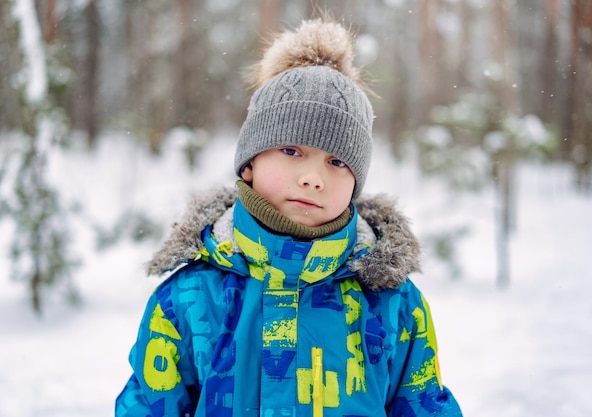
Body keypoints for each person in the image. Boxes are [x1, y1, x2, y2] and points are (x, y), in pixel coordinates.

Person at [116, 18, 463, 417]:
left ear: (355, 185)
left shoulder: (392, 303)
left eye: (336, 161)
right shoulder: (190, 299)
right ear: (249, 164)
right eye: (292, 151)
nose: (313, 178)